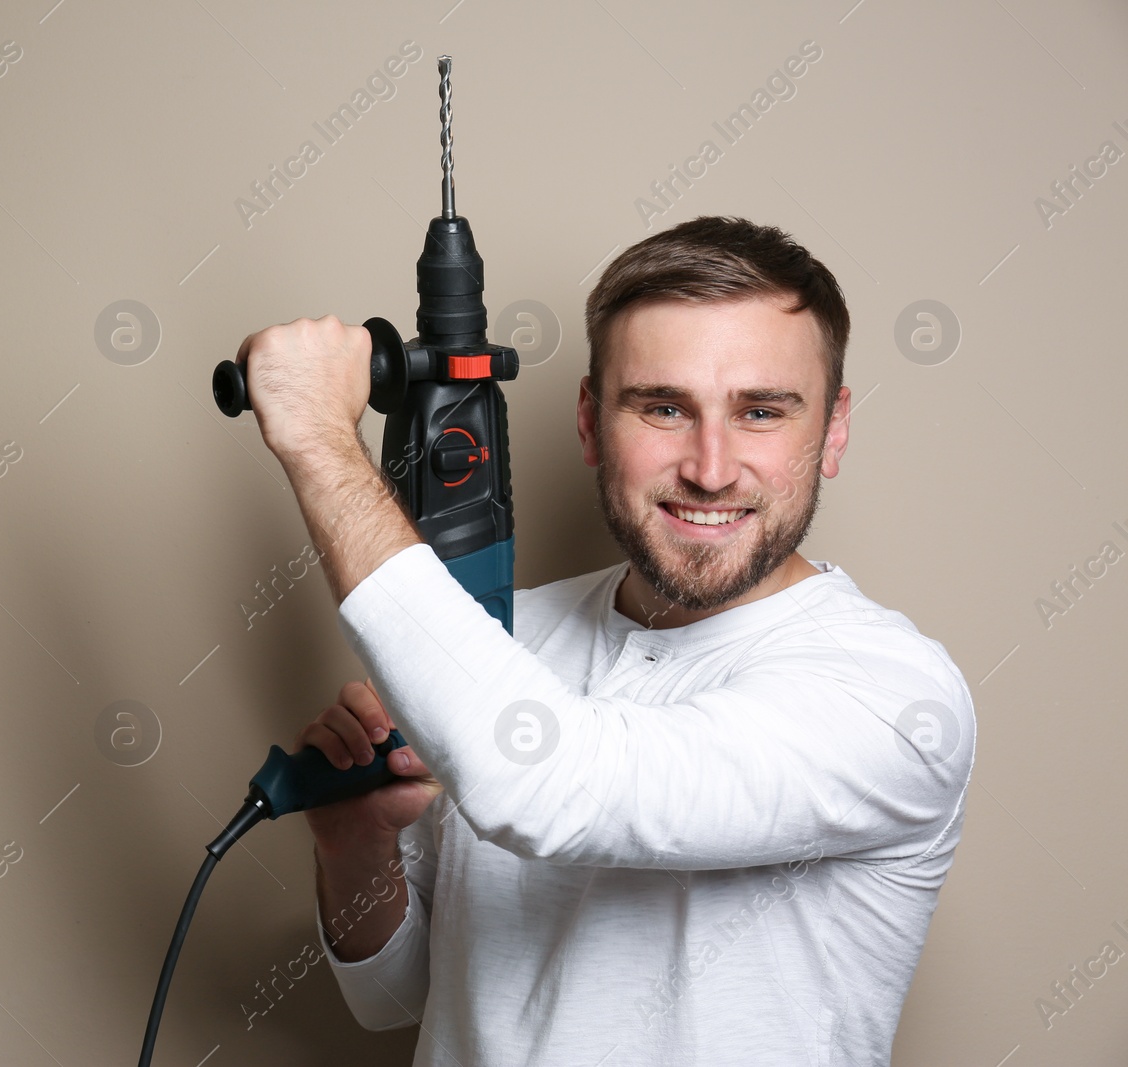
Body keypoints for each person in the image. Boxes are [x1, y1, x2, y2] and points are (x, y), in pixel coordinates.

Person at [233, 215, 976, 1065]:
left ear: (834, 428)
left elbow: (544, 786)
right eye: (663, 406)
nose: (710, 465)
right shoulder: (501, 640)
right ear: (590, 420)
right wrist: (357, 846)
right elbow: (394, 997)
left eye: (762, 411)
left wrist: (319, 439)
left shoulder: (893, 694)